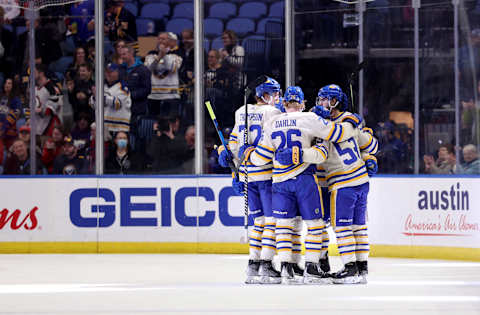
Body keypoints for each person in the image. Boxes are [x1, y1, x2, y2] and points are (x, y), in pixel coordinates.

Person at [245, 86, 363, 284]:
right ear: (303, 103)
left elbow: (260, 158)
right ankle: (311, 268)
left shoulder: (273, 121)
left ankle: (286, 270)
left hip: (280, 181)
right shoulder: (310, 119)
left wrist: (247, 154)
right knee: (315, 225)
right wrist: (352, 122)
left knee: (284, 226)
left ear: (284, 103)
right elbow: (336, 135)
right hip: (305, 179)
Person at [300, 84, 378, 284]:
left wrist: (368, 151)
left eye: (328, 100)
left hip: (342, 183)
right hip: (360, 180)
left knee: (342, 228)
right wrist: (359, 129)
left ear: (337, 102)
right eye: (321, 99)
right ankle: (361, 268)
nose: (324, 103)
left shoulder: (326, 125)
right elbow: (371, 145)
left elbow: (369, 146)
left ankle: (350, 268)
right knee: (358, 227)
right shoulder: (347, 121)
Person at [218, 77, 283, 284]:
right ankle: (266, 264)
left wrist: (233, 169)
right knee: (271, 221)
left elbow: (234, 145)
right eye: (275, 94)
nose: (278, 98)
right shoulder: (274, 112)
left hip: (248, 176)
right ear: (265, 95)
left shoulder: (240, 111)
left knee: (257, 223)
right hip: (267, 174)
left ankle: (252, 266)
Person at [145, 32, 183, 117]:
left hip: (171, 96)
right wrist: (159, 57)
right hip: (153, 95)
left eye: (164, 39)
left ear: (169, 41)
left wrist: (164, 55)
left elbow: (172, 67)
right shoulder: (151, 54)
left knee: (169, 122)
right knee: (154, 123)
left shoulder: (177, 53)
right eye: (159, 38)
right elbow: (149, 68)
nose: (161, 41)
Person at [90, 63, 131, 137]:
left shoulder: (123, 87)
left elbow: (117, 104)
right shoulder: (101, 86)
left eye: (111, 72)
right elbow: (93, 105)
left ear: (117, 72)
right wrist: (95, 97)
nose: (108, 74)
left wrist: (100, 96)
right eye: (106, 72)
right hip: (104, 127)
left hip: (119, 128)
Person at [120, 45, 151, 138]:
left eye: (124, 54)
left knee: (137, 135)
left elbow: (147, 90)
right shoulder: (120, 69)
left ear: (131, 54)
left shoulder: (143, 69)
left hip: (137, 109)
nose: (122, 56)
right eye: (121, 54)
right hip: (122, 109)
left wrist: (130, 96)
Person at [34, 64, 63, 137]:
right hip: (37, 125)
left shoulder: (52, 87)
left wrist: (43, 111)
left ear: (41, 73)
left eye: (34, 72)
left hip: (49, 126)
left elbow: (57, 103)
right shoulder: (34, 87)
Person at [0, 77, 21, 147]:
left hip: (9, 130)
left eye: (9, 83)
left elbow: (15, 114)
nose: (7, 85)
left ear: (13, 86)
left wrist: (3, 128)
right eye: (6, 83)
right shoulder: (1, 96)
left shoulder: (16, 100)